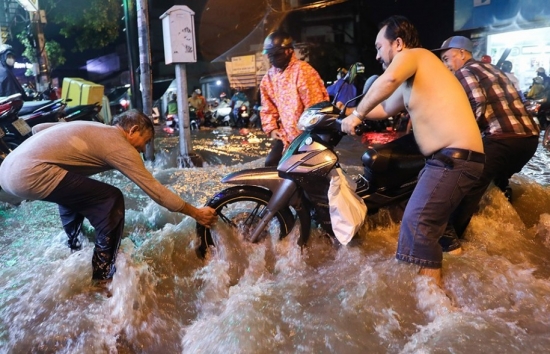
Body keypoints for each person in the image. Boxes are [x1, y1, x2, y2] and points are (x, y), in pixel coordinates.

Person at [340, 16, 484, 287]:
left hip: (454, 159)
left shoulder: (415, 55)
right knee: (423, 222)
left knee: (418, 223)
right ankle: (447, 281)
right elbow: (383, 109)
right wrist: (341, 114)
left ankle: (435, 306)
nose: (377, 54)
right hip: (446, 160)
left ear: (398, 43)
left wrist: (356, 114)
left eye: (379, 47)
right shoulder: (413, 78)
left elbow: (389, 78)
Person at [0, 110, 218, 287]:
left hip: (7, 169)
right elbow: (156, 192)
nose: (143, 149)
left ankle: (75, 247)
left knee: (74, 192)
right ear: (132, 130)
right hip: (27, 174)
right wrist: (196, 213)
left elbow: (39, 128)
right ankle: (103, 277)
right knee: (110, 198)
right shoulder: (120, 144)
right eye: (146, 141)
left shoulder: (97, 128)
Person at [432, 36, 539, 251]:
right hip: (529, 140)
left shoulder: (465, 71)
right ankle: (508, 225)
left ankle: (452, 242)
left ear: (462, 53)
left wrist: (458, 134)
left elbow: (476, 103)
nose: (445, 65)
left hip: (502, 139)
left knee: (470, 184)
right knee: (497, 183)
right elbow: (522, 103)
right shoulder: (495, 70)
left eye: (446, 58)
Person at [260, 30, 329, 166]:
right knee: (271, 165)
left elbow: (315, 107)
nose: (273, 58)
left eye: (276, 54)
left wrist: (310, 135)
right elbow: (268, 108)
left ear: (289, 51)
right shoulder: (269, 77)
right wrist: (272, 129)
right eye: (270, 55)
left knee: (302, 171)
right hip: (285, 136)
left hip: (306, 137)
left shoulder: (303, 71)